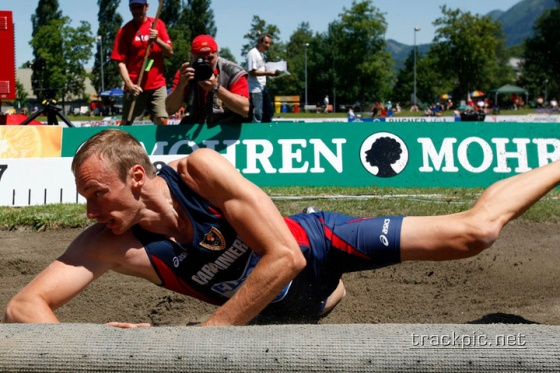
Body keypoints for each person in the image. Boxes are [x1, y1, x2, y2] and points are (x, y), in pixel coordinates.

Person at [5, 128, 560, 327]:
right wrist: (96, 353)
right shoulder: (106, 243)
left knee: (476, 233)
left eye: (97, 195)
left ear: (136, 176)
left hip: (314, 248)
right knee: (311, 304)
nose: (89, 212)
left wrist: (208, 339)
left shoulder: (200, 172)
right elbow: (24, 308)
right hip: (286, 308)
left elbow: (285, 259)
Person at [110, 0, 173, 125]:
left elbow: (169, 52)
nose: (137, 11)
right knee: (129, 123)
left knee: (161, 119)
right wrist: (129, 84)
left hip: (157, 84)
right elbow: (120, 62)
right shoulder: (124, 31)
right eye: (134, 7)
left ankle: (159, 144)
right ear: (130, 8)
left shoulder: (157, 24)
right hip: (135, 86)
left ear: (147, 7)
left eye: (140, 7)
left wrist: (157, 40)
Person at [165, 35, 249, 125]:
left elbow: (244, 109)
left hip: (226, 128)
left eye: (210, 58)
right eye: (200, 59)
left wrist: (216, 88)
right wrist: (181, 86)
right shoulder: (185, 73)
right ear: (191, 57)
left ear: (217, 56)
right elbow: (169, 110)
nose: (206, 63)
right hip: (196, 125)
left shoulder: (232, 72)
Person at [246, 34, 278, 123]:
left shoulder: (262, 55)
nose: (268, 45)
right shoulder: (253, 53)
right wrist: (268, 73)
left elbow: (261, 70)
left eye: (269, 43)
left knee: (269, 112)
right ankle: (255, 135)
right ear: (259, 42)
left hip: (262, 88)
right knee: (257, 115)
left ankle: (265, 132)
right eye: (266, 43)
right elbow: (251, 72)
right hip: (254, 89)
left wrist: (273, 73)